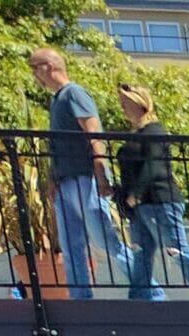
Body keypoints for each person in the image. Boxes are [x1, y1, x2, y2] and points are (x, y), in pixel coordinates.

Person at [29, 48, 128, 300]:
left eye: (35, 67)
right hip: (66, 182)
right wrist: (53, 179)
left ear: (49, 66)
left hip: (85, 178)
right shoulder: (57, 99)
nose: (34, 74)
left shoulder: (74, 93)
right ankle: (80, 298)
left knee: (104, 239)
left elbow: (93, 133)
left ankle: (148, 288)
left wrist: (101, 174)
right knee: (71, 246)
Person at [110, 85, 189, 303]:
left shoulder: (154, 131)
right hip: (139, 206)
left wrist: (136, 194)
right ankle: (139, 298)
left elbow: (154, 165)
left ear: (140, 103)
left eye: (126, 102)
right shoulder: (135, 135)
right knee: (141, 252)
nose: (122, 107)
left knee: (176, 249)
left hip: (159, 200)